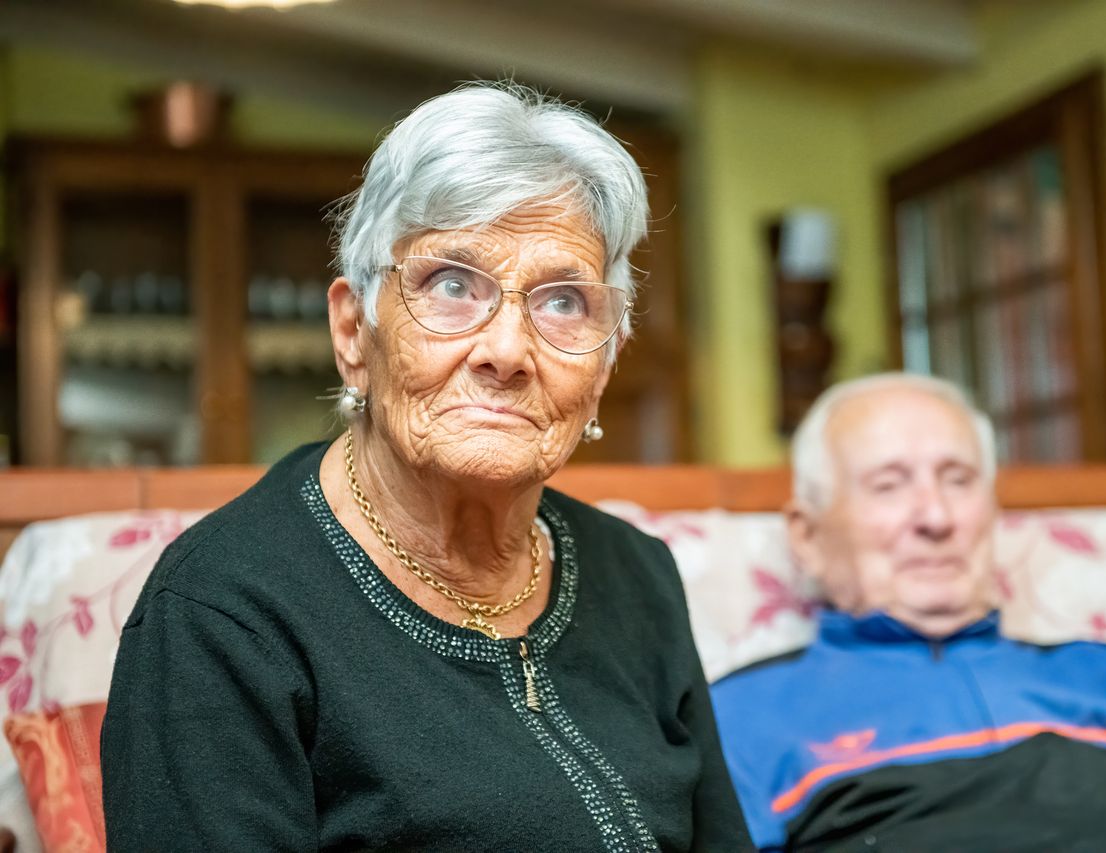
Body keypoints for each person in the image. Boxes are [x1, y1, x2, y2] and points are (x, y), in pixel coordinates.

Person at [101, 82, 753, 852]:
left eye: (565, 301)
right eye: (451, 285)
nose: (508, 351)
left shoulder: (636, 572)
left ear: (606, 363)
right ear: (354, 330)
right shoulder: (221, 614)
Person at [711, 373, 1106, 852]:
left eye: (959, 480)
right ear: (807, 536)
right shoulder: (739, 716)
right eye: (889, 485)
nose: (935, 516)